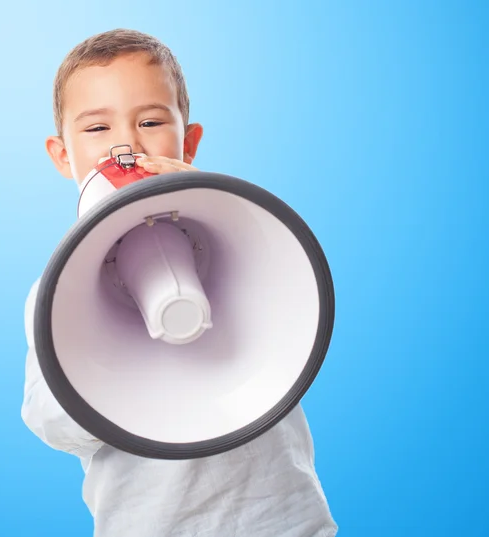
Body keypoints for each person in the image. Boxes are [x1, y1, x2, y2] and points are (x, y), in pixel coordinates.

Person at [21, 28, 338, 537]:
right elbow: (50, 423)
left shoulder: (251, 235)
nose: (125, 145)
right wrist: (89, 370)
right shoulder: (54, 293)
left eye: (150, 121)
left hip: (286, 521)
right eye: (97, 128)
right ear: (62, 156)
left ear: (188, 143)